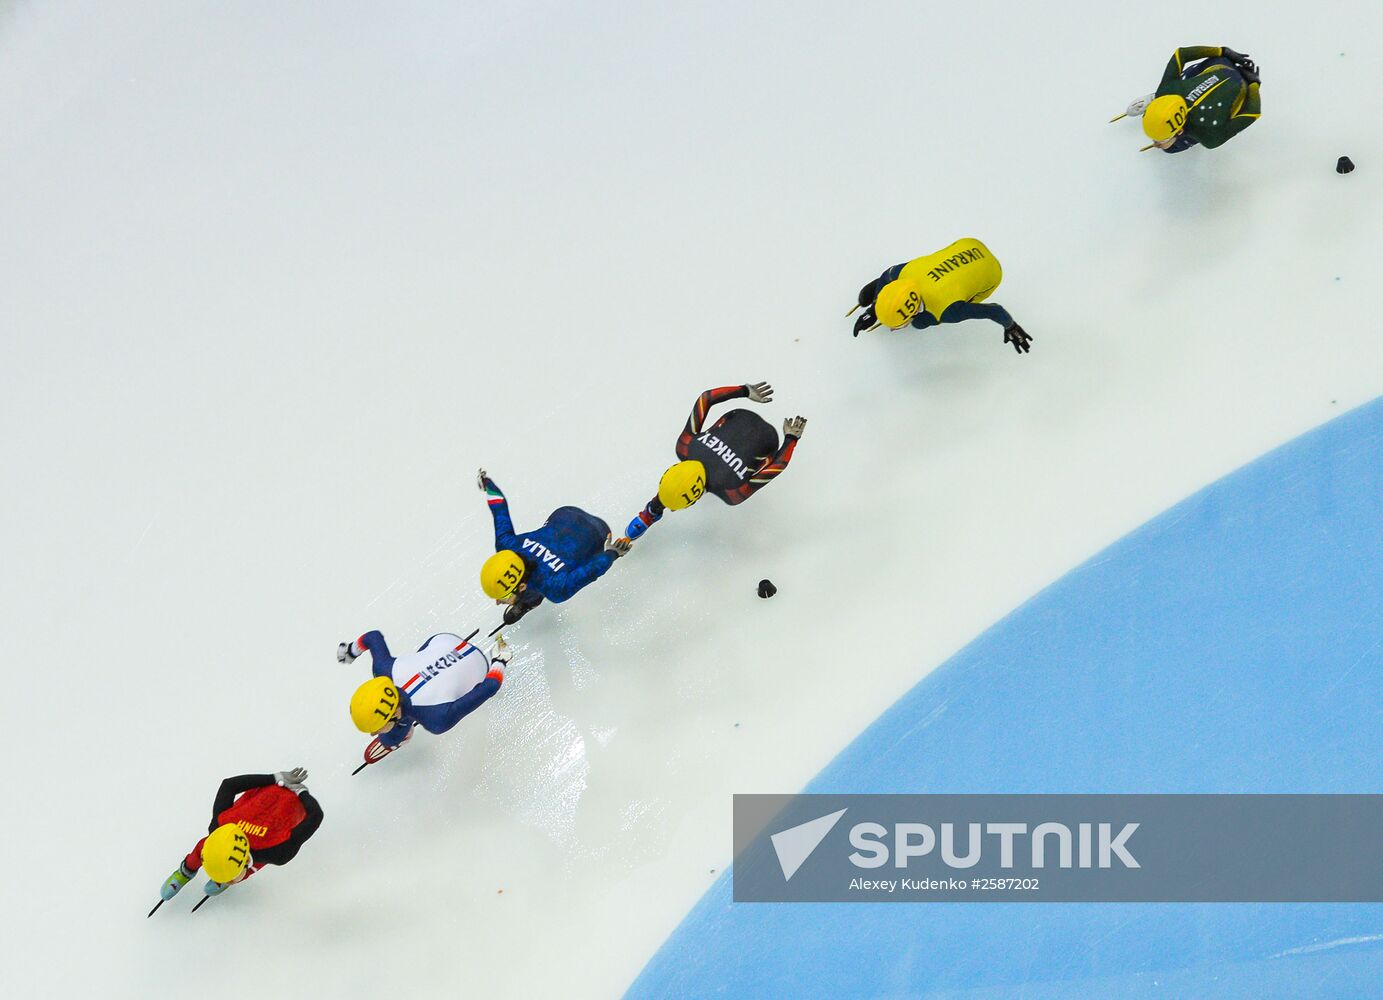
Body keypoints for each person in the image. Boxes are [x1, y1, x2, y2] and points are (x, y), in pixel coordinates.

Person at [625, 382, 805, 540]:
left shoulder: (732, 493)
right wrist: (744, 390)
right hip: (740, 416)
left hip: (768, 440)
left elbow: (777, 466)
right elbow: (706, 398)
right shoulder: (685, 446)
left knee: (758, 467)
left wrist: (791, 439)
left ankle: (652, 511)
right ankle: (652, 510)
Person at [478, 470, 631, 624]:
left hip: (597, 535)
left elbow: (592, 570)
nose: (498, 602)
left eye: (503, 597)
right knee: (539, 582)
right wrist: (487, 483)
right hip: (567, 514)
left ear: (522, 586)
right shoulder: (506, 544)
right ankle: (527, 599)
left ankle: (529, 601)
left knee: (541, 584)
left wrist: (612, 553)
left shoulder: (555, 588)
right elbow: (499, 507)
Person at [158, 769, 323, 902]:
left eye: (229, 879)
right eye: (228, 879)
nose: (230, 881)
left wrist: (295, 791)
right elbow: (316, 815)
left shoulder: (278, 851)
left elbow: (315, 816)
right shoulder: (219, 828)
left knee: (250, 864)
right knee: (206, 849)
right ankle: (186, 871)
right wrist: (282, 781)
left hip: (290, 805)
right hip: (269, 797)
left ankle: (189, 871)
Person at [849, 238, 1032, 352]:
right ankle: (878, 299)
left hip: (992, 274)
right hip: (968, 244)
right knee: (919, 317)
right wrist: (873, 311)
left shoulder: (946, 311)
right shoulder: (902, 272)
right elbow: (885, 277)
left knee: (921, 323)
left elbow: (995, 311)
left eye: (896, 326)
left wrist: (1011, 326)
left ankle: (892, 306)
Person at [337, 629, 509, 748]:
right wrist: (351, 651)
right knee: (393, 731)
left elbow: (490, 686)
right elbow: (372, 637)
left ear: (395, 713)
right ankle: (404, 722)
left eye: (376, 728)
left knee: (390, 739)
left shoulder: (436, 720)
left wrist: (499, 661)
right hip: (445, 641)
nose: (373, 734)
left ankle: (404, 727)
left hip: (478, 667)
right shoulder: (383, 669)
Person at [1121, 45, 1260, 153]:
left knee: (1170, 148)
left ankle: (1173, 135)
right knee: (1178, 85)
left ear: (1180, 131)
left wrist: (1253, 85)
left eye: (1161, 140)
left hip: (1244, 88)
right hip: (1222, 63)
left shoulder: (1209, 136)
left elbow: (1252, 113)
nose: (1156, 144)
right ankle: (1156, 100)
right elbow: (1181, 54)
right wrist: (1222, 52)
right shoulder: (1166, 90)